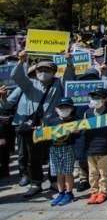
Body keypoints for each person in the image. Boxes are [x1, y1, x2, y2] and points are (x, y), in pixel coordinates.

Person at [7, 50, 74, 198]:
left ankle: (53, 181)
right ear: (36, 71)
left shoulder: (58, 83)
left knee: (53, 154)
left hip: (52, 126)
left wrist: (69, 62)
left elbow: (70, 79)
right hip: (33, 127)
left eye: (47, 69)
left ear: (53, 71)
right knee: (33, 157)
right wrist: (21, 61)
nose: (43, 72)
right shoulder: (30, 84)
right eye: (40, 69)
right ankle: (36, 183)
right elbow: (15, 76)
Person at [84, 88, 107, 204]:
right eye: (93, 97)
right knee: (92, 173)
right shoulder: (87, 112)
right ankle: (94, 192)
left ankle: (103, 192)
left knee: (104, 173)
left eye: (98, 97)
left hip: (105, 148)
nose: (95, 100)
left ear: (105, 99)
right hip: (90, 148)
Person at [47, 98, 80, 206]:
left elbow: (79, 133)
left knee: (67, 172)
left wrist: (76, 131)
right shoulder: (51, 121)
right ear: (56, 109)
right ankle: (61, 193)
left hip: (68, 148)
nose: (64, 109)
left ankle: (69, 193)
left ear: (71, 108)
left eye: (66, 107)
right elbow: (46, 135)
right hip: (54, 149)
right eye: (61, 107)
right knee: (59, 173)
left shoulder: (75, 120)